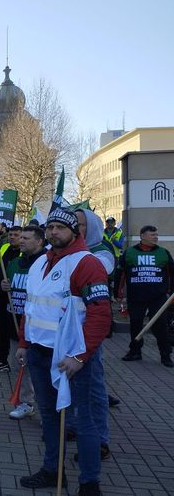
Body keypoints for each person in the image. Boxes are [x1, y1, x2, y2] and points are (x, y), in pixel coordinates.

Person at [16, 208, 111, 495]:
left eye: (61, 227)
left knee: (84, 420)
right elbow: (30, 307)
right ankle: (52, 470)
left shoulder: (86, 263)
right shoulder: (39, 263)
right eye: (51, 226)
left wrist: (80, 356)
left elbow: (100, 315)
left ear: (75, 232)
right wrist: (23, 342)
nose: (54, 231)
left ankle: (89, 482)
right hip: (39, 352)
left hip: (71, 357)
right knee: (49, 416)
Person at [72, 208, 115, 459]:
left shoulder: (101, 252)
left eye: (81, 224)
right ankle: (75, 427)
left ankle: (100, 439)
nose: (76, 229)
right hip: (67, 329)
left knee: (93, 388)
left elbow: (100, 268)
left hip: (88, 330)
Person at [0, 225, 44, 419]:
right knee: (19, 365)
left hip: (37, 327)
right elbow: (6, 285)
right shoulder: (14, 263)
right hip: (15, 322)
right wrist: (4, 286)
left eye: (27, 238)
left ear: (39, 241)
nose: (22, 241)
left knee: (40, 369)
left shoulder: (45, 264)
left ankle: (45, 409)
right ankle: (26, 402)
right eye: (21, 237)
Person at [118, 225, 174, 366]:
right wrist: (117, 293)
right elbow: (121, 273)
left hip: (158, 297)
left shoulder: (163, 253)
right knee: (135, 323)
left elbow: (172, 274)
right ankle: (135, 351)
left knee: (160, 325)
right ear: (142, 236)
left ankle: (165, 354)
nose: (156, 237)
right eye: (152, 235)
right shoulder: (130, 253)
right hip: (136, 296)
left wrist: (172, 293)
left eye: (156, 235)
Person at [0, 225, 22, 373]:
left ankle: (19, 361)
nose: (12, 237)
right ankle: (2, 360)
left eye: (16, 235)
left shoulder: (24, 253)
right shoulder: (4, 248)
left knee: (16, 331)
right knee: (2, 330)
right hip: (1, 297)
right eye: (11, 234)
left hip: (16, 300)